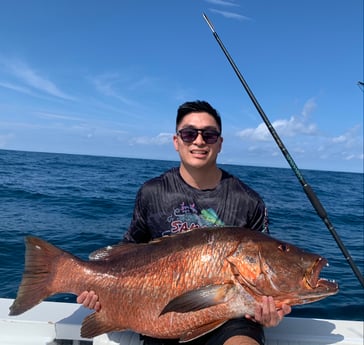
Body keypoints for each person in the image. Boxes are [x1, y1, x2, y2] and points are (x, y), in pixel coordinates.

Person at [77, 100, 291, 345]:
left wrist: (268, 313)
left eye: (209, 135)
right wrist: (97, 287)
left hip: (231, 317)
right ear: (176, 141)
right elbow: (128, 252)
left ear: (220, 143)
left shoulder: (248, 200)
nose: (199, 141)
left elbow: (264, 269)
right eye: (189, 134)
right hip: (160, 312)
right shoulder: (152, 192)